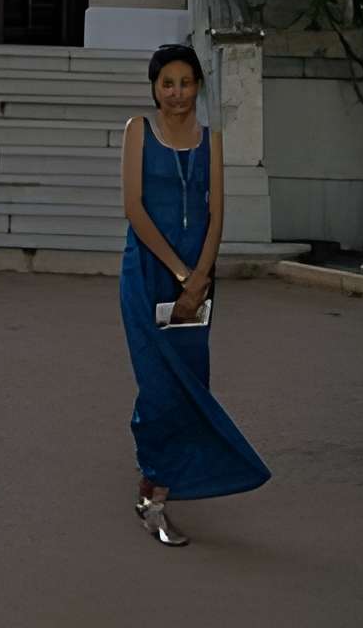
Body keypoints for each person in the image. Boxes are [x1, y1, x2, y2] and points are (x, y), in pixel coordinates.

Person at [119, 44, 270, 547]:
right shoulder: (138, 130)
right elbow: (135, 209)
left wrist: (202, 276)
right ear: (155, 88)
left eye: (186, 83)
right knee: (158, 384)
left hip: (199, 279)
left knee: (189, 381)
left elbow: (216, 212)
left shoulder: (213, 140)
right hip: (147, 271)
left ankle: (158, 478)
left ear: (198, 86)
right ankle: (154, 496)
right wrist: (182, 273)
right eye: (168, 83)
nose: (177, 94)